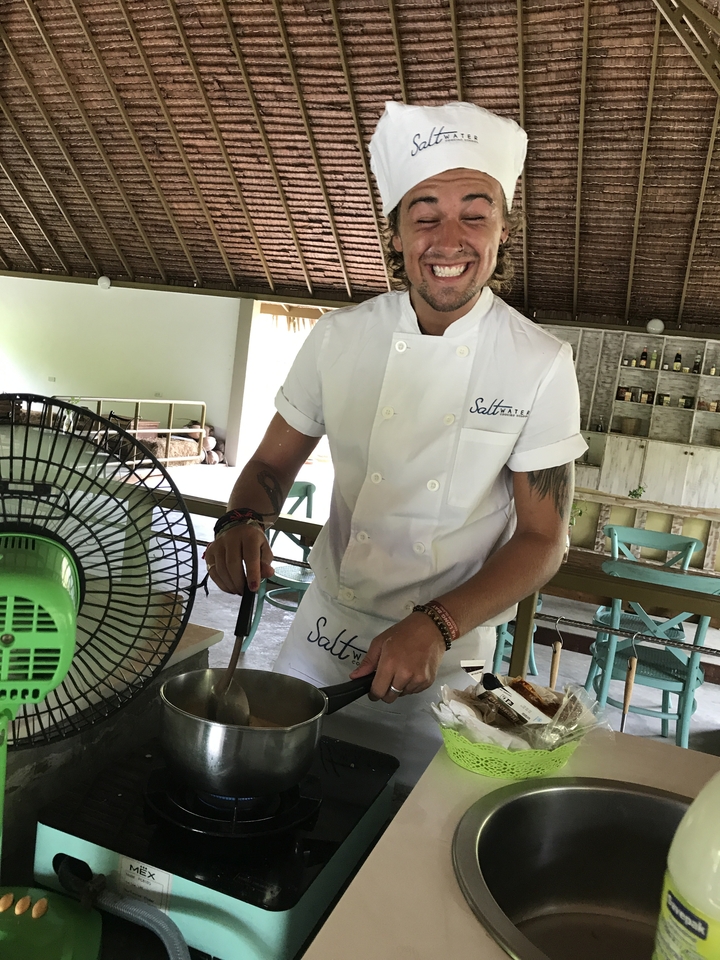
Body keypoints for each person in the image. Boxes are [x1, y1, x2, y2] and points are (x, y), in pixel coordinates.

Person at [206, 100, 587, 785]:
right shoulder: (337, 339)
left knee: (405, 841)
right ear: (398, 232)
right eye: (425, 212)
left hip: (443, 663)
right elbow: (268, 464)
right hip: (322, 637)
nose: (450, 237)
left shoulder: (539, 362)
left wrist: (434, 624)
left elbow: (543, 538)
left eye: (476, 212)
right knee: (271, 788)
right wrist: (242, 517)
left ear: (504, 228)